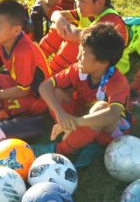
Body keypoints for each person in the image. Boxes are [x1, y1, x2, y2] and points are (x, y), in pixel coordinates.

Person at [35, 23, 133, 164]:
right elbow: (45, 86)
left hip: (109, 130)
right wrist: (61, 114)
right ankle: (78, 139)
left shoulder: (118, 81)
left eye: (83, 54)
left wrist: (76, 122)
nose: (77, 57)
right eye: (79, 51)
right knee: (56, 92)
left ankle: (60, 150)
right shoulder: (78, 69)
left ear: (102, 62)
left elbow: (112, 115)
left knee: (100, 108)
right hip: (82, 118)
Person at [0, 0, 50, 121]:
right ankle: (0, 111)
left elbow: (23, 91)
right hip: (15, 83)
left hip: (35, 95)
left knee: (12, 105)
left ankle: (0, 111)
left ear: (16, 30)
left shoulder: (23, 51)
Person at [38, 0, 129, 75]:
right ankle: (36, 62)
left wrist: (63, 24)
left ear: (99, 2)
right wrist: (59, 20)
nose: (77, 5)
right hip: (90, 60)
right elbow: (55, 14)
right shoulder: (90, 12)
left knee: (76, 42)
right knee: (57, 26)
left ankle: (48, 75)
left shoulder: (112, 22)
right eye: (77, 1)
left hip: (108, 70)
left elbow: (75, 35)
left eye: (82, 1)